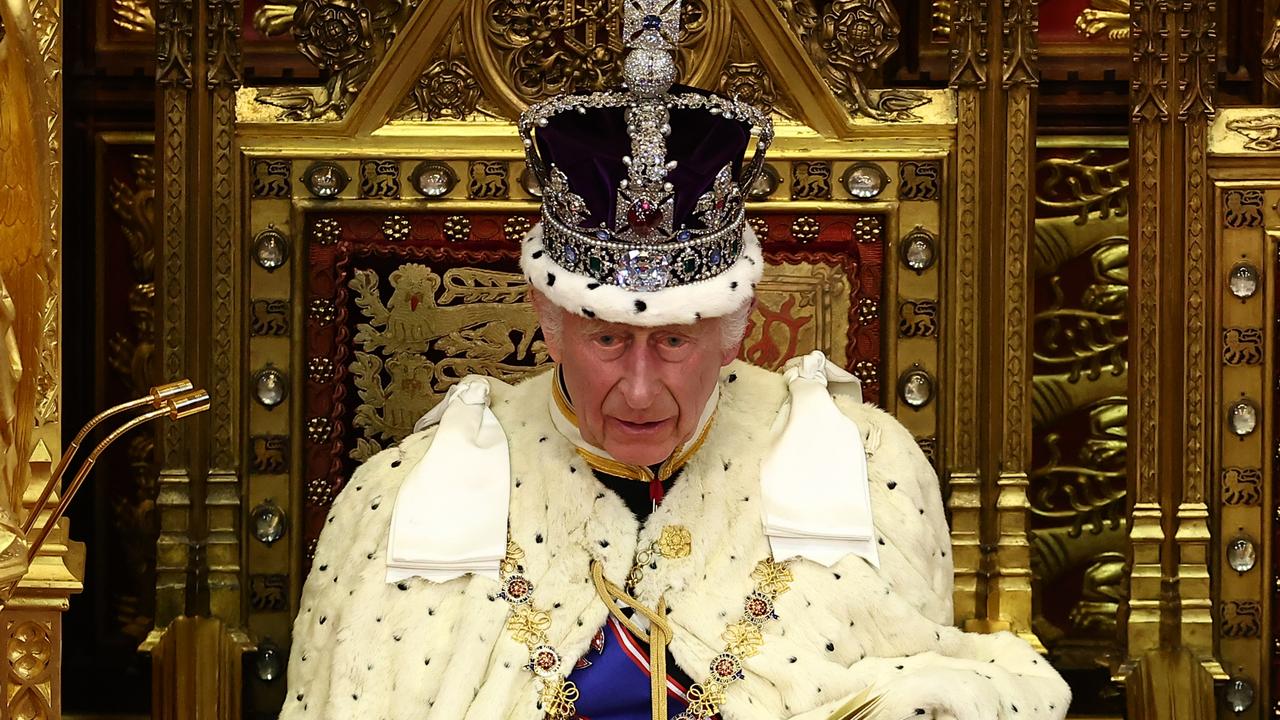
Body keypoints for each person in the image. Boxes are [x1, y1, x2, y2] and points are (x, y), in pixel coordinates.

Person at [280, 3, 1071, 719]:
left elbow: (922, 666)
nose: (638, 387)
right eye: (606, 339)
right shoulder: (405, 491)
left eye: (673, 340)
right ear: (549, 324)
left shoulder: (863, 465)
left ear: (734, 328)